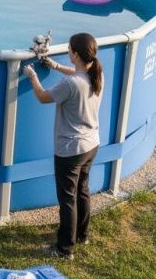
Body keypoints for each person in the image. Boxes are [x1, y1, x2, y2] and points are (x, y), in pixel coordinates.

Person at [23, 32, 104, 261]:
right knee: (82, 191)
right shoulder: (96, 73)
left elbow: (43, 96)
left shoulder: (71, 84)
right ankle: (82, 235)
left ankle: (64, 249)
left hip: (71, 150)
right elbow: (77, 75)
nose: (67, 52)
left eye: (69, 49)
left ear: (75, 54)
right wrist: (56, 65)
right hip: (91, 145)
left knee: (68, 199)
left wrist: (31, 75)